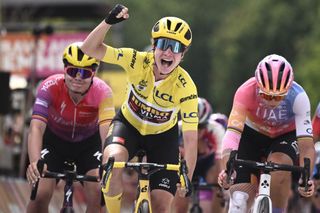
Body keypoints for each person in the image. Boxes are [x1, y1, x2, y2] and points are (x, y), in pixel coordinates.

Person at [80, 4, 198, 213]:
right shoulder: (136, 60)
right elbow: (88, 49)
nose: (169, 52)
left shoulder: (186, 86)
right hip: (128, 126)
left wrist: (186, 176)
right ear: (154, 45)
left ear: (183, 54)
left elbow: (190, 138)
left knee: (162, 206)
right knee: (112, 163)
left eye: (177, 47)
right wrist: (108, 22)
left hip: (163, 138)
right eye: (164, 44)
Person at [217, 54, 315, 213]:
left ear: (288, 89)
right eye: (266, 95)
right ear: (257, 86)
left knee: (279, 165)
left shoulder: (299, 97)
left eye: (279, 96)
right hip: (252, 135)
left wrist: (306, 178)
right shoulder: (245, 91)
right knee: (239, 201)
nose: (272, 102)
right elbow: (232, 134)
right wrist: (228, 169)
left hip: (285, 136)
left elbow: (307, 146)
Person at [26, 42, 115, 213]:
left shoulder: (103, 92)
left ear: (93, 74)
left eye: (85, 73)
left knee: (99, 193)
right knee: (40, 194)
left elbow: (107, 134)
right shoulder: (49, 86)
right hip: (54, 143)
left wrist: (106, 163)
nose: (78, 77)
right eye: (73, 71)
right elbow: (36, 128)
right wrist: (35, 161)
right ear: (64, 70)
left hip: (89, 145)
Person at [173, 97, 227, 213]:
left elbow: (221, 160)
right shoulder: (178, 129)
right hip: (185, 164)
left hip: (208, 164)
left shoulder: (215, 129)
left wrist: (222, 185)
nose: (197, 131)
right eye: (194, 126)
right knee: (180, 199)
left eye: (201, 127)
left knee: (219, 183)